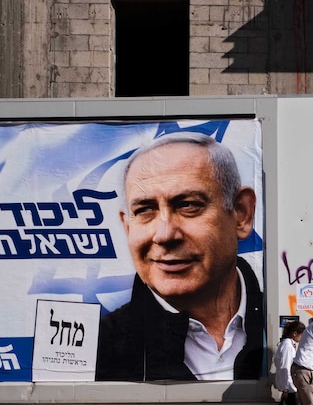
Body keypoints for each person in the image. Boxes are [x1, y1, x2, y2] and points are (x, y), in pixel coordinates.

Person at [95, 132, 264, 381]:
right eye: (144, 210)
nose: (164, 234)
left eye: (188, 205)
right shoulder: (102, 349)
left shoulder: (283, 324)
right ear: (127, 227)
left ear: (241, 214)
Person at [263, 320, 306, 405]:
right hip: (290, 385)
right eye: (301, 335)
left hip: (288, 384)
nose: (302, 338)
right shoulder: (287, 346)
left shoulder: (288, 344)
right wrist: (287, 387)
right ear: (295, 333)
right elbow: (286, 367)